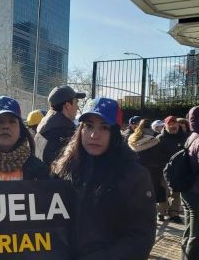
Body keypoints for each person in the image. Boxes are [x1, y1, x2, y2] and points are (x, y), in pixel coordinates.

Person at [51, 97, 156, 259]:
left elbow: (140, 237)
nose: (94, 135)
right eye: (88, 126)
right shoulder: (63, 167)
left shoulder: (134, 175)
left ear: (115, 132)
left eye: (104, 128)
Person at [35, 85, 86, 167]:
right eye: (76, 102)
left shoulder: (40, 132)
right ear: (67, 106)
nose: (77, 107)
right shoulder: (68, 135)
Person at [128, 119, 168, 221]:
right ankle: (159, 213)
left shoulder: (132, 138)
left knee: (139, 191)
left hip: (137, 169)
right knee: (155, 191)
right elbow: (160, 155)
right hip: (154, 169)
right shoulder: (154, 138)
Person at [157, 115, 189, 224]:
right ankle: (162, 212)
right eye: (169, 124)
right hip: (164, 169)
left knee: (176, 192)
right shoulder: (160, 139)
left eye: (174, 123)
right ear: (165, 126)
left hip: (180, 169)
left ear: (177, 124)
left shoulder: (185, 137)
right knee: (164, 191)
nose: (172, 125)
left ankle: (174, 213)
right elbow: (156, 155)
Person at [182, 106, 199, 260]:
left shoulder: (192, 135)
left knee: (189, 229)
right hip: (196, 191)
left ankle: (184, 256)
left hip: (187, 189)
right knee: (196, 234)